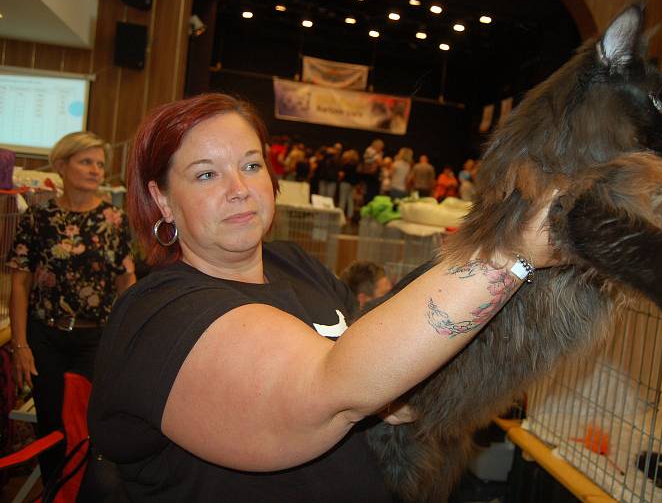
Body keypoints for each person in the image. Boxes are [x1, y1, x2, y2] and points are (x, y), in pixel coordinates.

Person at [87, 93, 559, 501]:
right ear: (163, 198)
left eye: (251, 165)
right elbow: (337, 388)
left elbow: (385, 377)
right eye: (206, 175)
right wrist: (513, 253)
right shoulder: (156, 315)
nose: (240, 190)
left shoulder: (296, 264)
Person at [7, 131, 136, 485]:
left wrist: (126, 342)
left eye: (100, 164)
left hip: (95, 340)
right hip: (45, 336)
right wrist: (21, 346)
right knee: (52, 427)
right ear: (62, 165)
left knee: (91, 428)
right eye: (86, 162)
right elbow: (19, 283)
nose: (96, 170)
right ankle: (53, 492)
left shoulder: (114, 220)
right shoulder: (37, 218)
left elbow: (127, 282)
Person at [338, 148, 360, 221]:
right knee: (350, 200)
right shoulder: (357, 164)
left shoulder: (347, 164)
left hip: (345, 182)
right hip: (352, 184)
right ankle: (350, 216)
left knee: (343, 199)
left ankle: (340, 215)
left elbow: (342, 174)